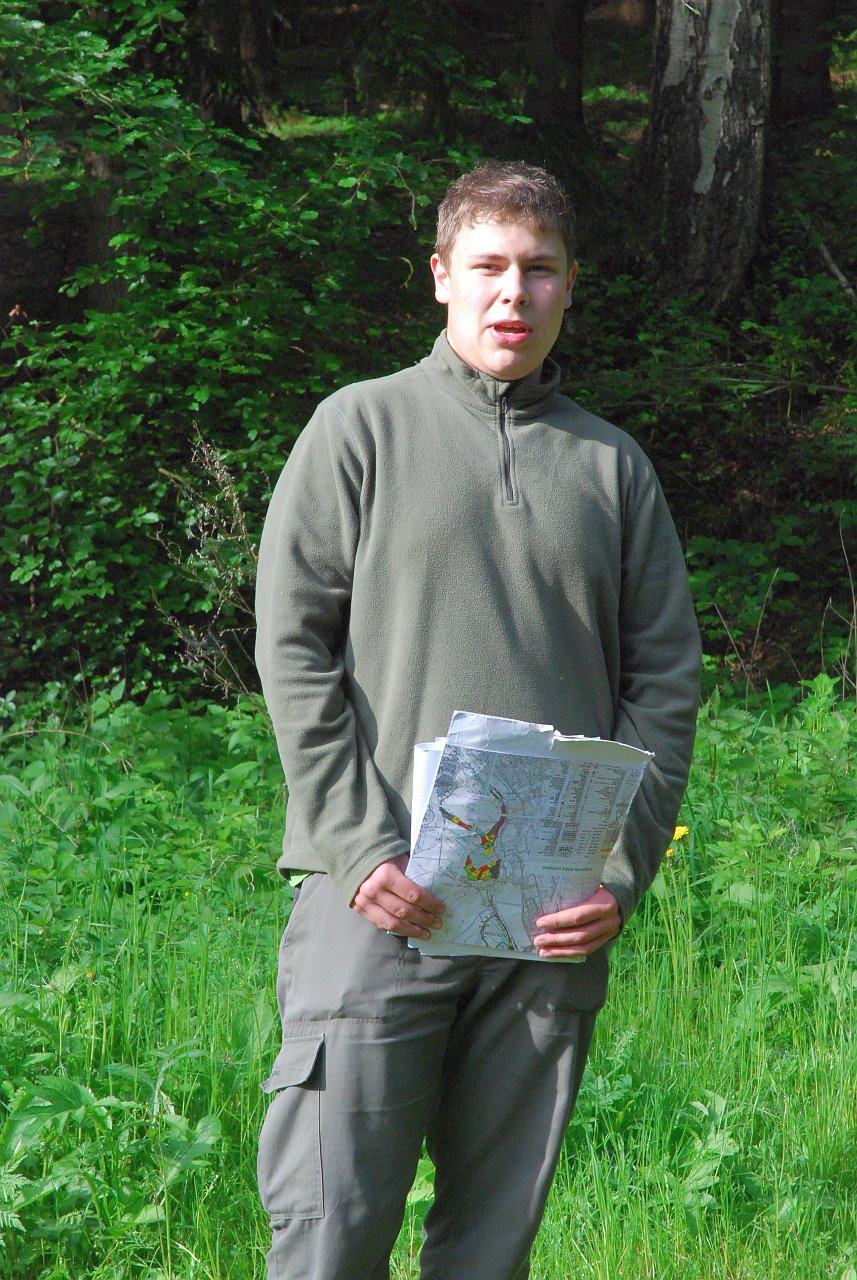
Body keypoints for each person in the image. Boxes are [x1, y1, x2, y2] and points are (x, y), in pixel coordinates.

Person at [254, 160, 701, 1280]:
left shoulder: (612, 466)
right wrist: (360, 847)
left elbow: (663, 686)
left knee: (489, 1250)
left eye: (538, 269)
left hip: (544, 922)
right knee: (328, 1232)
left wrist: (618, 874)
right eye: (489, 265)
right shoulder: (358, 429)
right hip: (377, 901)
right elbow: (291, 650)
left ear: (568, 286)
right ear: (441, 276)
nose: (514, 292)